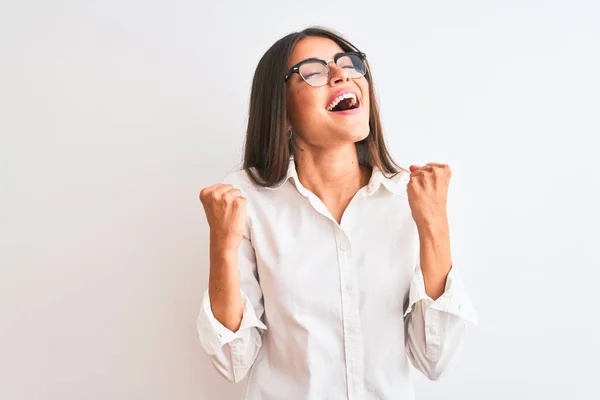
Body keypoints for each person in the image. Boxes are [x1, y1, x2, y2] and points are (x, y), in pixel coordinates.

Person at [196, 26, 478, 400]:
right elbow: (235, 362)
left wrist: (434, 225)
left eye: (348, 64)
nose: (341, 74)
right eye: (313, 71)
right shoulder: (246, 201)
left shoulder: (409, 197)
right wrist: (222, 244)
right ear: (282, 115)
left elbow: (434, 358)